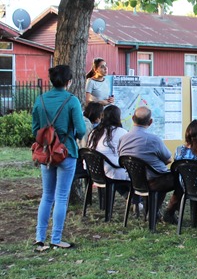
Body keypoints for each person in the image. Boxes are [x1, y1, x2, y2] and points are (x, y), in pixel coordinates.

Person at [32, 65, 86, 251]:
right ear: (68, 82)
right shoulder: (72, 101)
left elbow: (35, 130)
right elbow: (81, 130)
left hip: (46, 153)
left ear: (51, 81)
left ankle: (40, 238)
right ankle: (56, 239)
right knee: (61, 196)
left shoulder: (40, 100)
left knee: (46, 195)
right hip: (66, 152)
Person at [117, 106, 178, 223]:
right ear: (150, 122)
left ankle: (152, 211)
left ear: (133, 118)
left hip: (134, 181)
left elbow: (122, 157)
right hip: (154, 181)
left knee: (161, 177)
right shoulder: (153, 140)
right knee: (179, 179)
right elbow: (169, 159)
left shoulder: (122, 139)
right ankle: (168, 212)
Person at [86, 105, 130, 196]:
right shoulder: (121, 132)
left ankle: (129, 197)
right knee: (134, 173)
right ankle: (136, 200)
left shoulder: (94, 132)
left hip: (94, 172)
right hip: (111, 172)